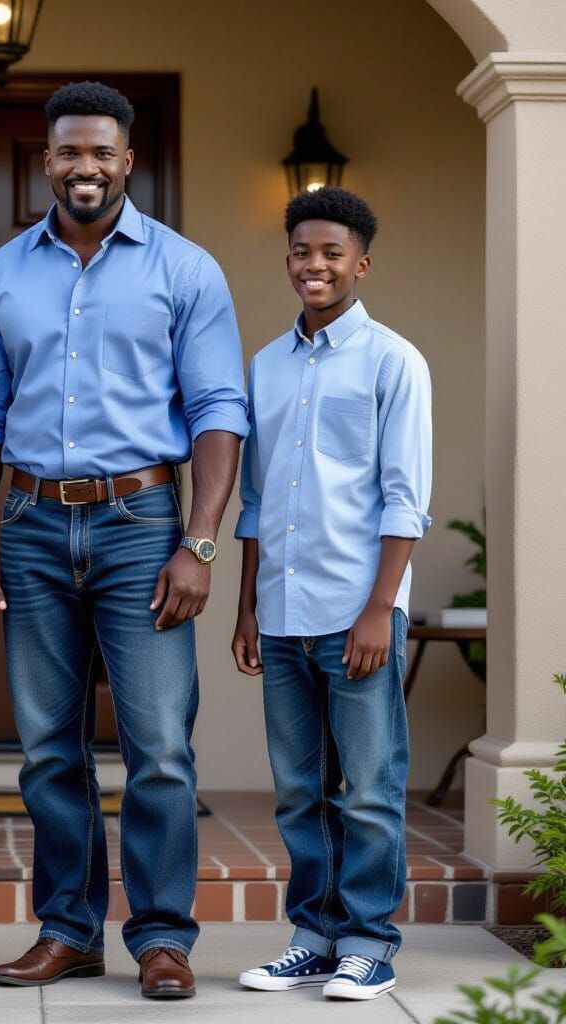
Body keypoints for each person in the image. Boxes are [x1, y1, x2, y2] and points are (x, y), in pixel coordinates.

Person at [0, 81, 248, 1000]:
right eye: (69, 152)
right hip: (34, 525)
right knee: (48, 746)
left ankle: (162, 939)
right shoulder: (0, 273)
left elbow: (218, 411)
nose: (86, 166)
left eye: (103, 152)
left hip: (142, 524)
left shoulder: (186, 270)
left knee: (159, 743)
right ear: (48, 162)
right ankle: (69, 931)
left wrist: (199, 543)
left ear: (128, 160)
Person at [232, 187, 432, 1001]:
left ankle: (369, 944)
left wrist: (381, 608)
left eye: (332, 253)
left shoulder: (394, 360)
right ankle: (313, 936)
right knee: (299, 792)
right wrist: (247, 606)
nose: (315, 266)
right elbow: (255, 497)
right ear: (288, 261)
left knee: (372, 790)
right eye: (302, 253)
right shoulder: (266, 365)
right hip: (280, 613)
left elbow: (404, 496)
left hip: (359, 613)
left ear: (361, 263)